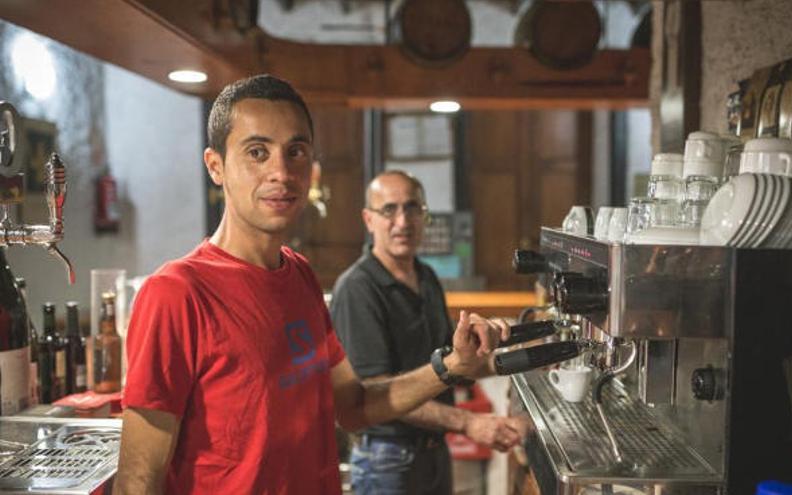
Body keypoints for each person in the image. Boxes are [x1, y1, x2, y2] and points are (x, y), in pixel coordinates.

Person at [114, 74, 511, 495]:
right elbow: (137, 481)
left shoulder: (299, 274)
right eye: (257, 152)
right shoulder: (176, 293)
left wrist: (449, 367)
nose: (281, 172)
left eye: (296, 151)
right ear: (216, 166)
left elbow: (354, 407)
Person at [331, 171, 523, 494]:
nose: (403, 221)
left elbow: (456, 366)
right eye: (389, 210)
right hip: (387, 460)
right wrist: (468, 423)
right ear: (368, 219)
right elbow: (374, 390)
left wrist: (519, 357)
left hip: (434, 453)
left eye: (413, 208)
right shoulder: (357, 288)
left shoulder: (427, 276)